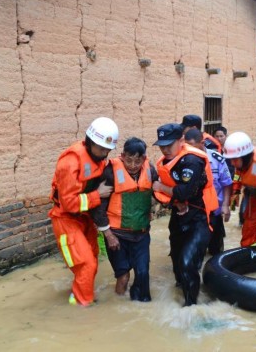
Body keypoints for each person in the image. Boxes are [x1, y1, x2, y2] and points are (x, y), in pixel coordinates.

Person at [48, 117, 118, 307]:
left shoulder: (100, 160)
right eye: (102, 149)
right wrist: (97, 195)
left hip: (85, 217)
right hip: (66, 218)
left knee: (92, 259)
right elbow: (69, 203)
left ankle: (79, 295)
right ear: (90, 141)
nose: (105, 154)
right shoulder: (70, 162)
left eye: (108, 150)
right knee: (86, 263)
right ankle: (82, 306)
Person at [152, 123, 218, 306]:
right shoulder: (167, 161)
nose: (164, 150)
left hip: (200, 218)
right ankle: (183, 292)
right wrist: (173, 199)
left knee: (187, 262)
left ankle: (191, 307)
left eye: (169, 145)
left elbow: (184, 192)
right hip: (179, 216)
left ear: (181, 141)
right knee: (176, 261)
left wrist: (162, 188)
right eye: (161, 146)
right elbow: (159, 193)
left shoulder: (192, 161)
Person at [90, 137, 159, 302]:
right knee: (123, 277)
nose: (133, 165)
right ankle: (119, 306)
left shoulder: (150, 170)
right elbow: (98, 207)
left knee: (143, 274)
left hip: (141, 234)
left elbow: (158, 192)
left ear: (144, 158)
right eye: (129, 160)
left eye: (138, 161)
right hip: (117, 235)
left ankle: (140, 310)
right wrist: (108, 235)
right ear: (122, 156)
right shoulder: (110, 172)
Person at [185, 128, 232, 255]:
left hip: (214, 212)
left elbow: (226, 183)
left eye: (194, 147)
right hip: (194, 212)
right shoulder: (183, 160)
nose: (191, 151)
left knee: (216, 251)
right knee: (194, 250)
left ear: (203, 143)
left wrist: (226, 205)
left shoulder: (217, 159)